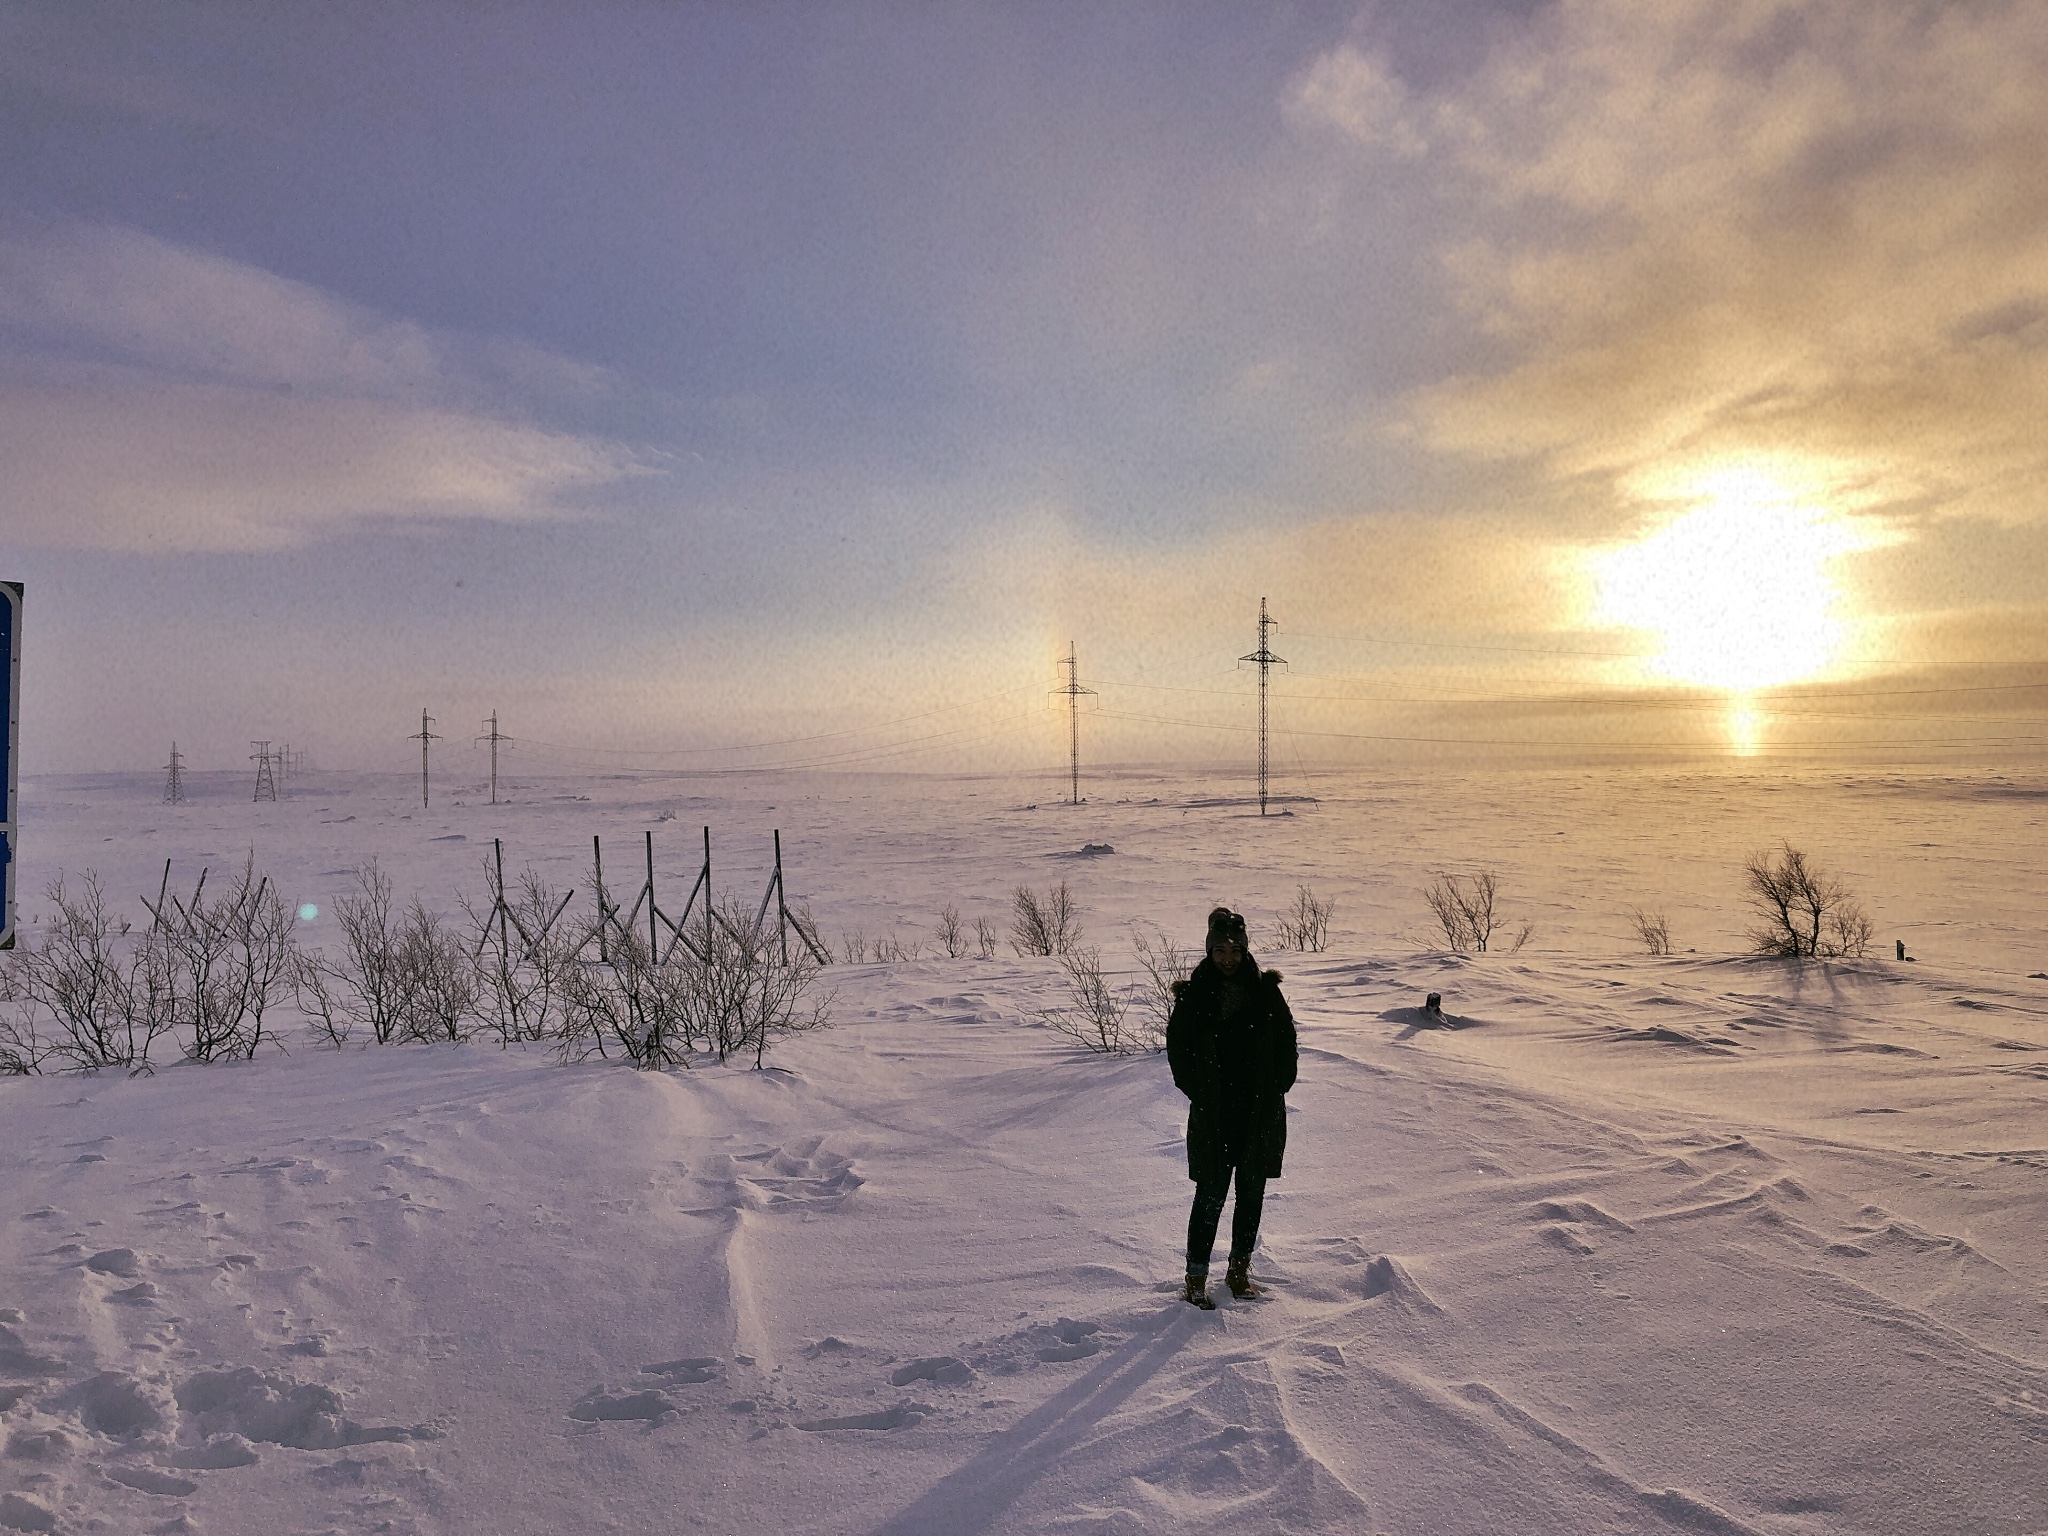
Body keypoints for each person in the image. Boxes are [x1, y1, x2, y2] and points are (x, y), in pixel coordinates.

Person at [1166, 906, 1298, 1308]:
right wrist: (1202, 1094)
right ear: (1209, 950)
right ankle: (1196, 1277)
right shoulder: (1193, 997)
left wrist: (1278, 1086)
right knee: (1209, 1195)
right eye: (1220, 949)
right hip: (1214, 1117)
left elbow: (1287, 1045)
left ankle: (1239, 1270)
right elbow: (1179, 1053)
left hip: (1259, 1115)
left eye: (1234, 950)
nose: (1227, 958)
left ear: (1244, 950)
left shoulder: (1265, 992)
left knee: (1252, 1195)